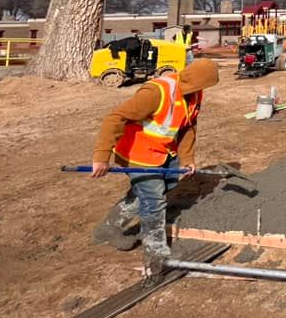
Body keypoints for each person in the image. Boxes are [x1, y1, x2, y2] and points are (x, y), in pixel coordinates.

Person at [90, 59, 219, 270]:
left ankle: (109, 228)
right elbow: (115, 118)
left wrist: (187, 159)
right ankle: (157, 253)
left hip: (165, 152)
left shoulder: (195, 94)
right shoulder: (156, 91)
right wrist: (101, 157)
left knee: (160, 189)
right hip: (139, 153)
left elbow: (188, 127)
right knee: (153, 200)